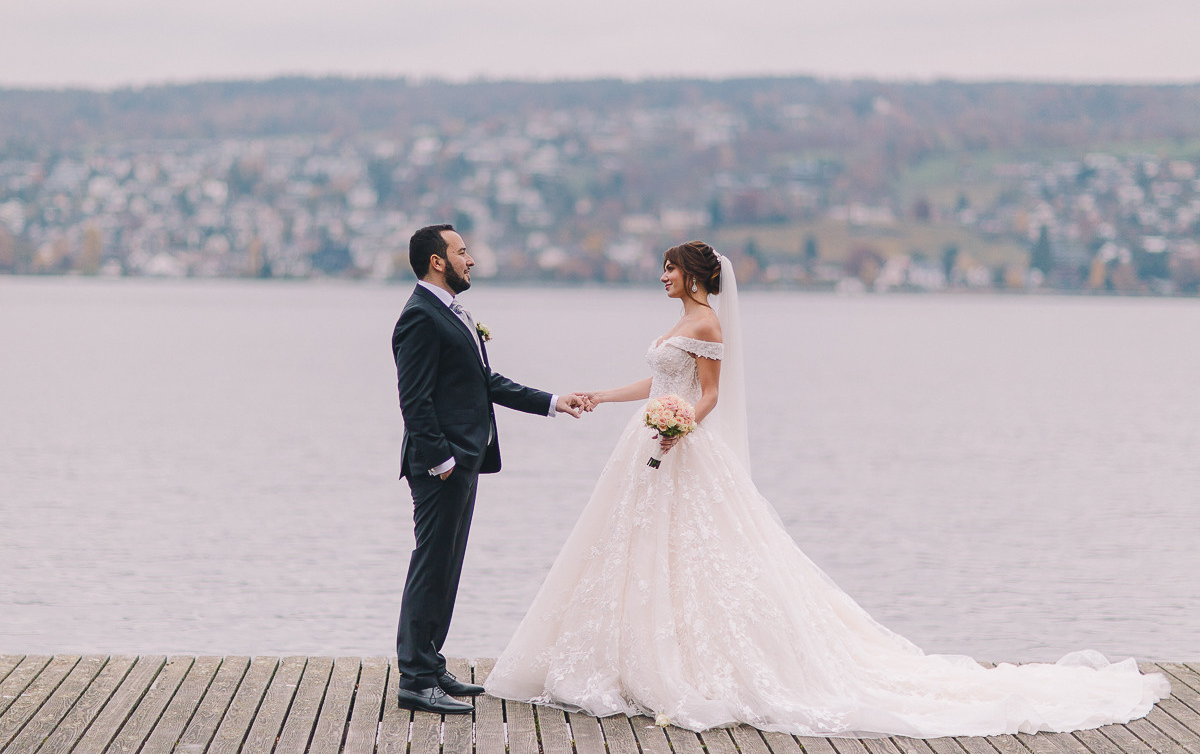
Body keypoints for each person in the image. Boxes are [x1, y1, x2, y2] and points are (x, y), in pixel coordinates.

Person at [484, 240, 1169, 738]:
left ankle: (686, 660)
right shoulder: (676, 325)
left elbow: (708, 394)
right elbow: (662, 382)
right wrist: (604, 397)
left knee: (696, 556)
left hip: (678, 447)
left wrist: (679, 425)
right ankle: (626, 653)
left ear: (691, 275)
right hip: (645, 443)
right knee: (631, 552)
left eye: (668, 267)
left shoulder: (707, 323)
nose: (661, 275)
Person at [392, 224, 585, 715]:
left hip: (463, 462)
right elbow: (414, 403)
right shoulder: (419, 317)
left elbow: (483, 382)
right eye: (461, 251)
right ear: (438, 261)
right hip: (442, 466)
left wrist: (554, 402)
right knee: (430, 565)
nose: (470, 259)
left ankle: (431, 663)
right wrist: (442, 462)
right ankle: (414, 680)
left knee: (448, 566)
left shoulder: (450, 312)